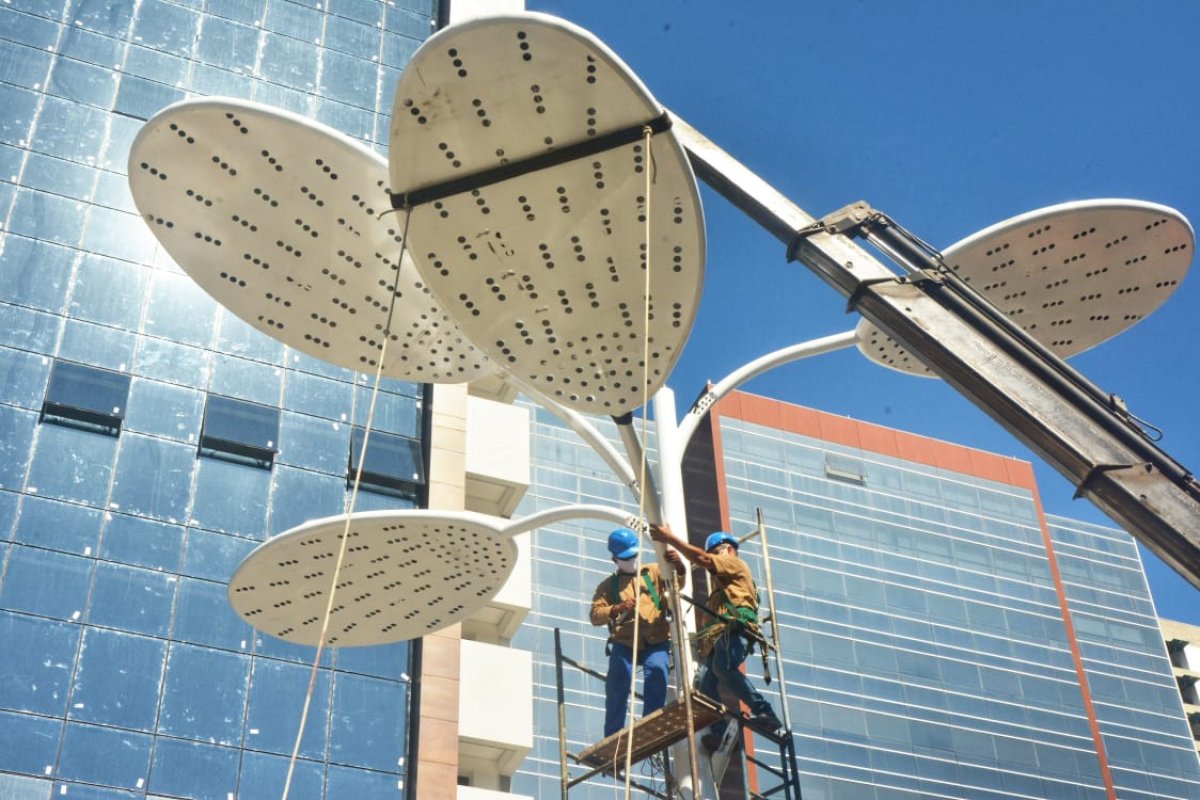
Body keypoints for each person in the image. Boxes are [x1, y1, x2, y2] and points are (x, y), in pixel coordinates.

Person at [648, 522, 783, 749]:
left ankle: (765, 712)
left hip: (735, 629)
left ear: (728, 549)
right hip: (721, 636)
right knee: (704, 683)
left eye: (715, 552)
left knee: (723, 668)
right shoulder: (720, 592)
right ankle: (720, 733)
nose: (713, 558)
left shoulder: (734, 563)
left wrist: (670, 538)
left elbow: (703, 559)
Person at [590, 527, 687, 738]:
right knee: (618, 679)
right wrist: (616, 608)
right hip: (625, 641)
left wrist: (679, 566)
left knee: (657, 670)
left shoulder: (653, 571)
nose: (632, 560)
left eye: (634, 555)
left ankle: (649, 723)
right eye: (627, 557)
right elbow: (595, 615)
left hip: (656, 638)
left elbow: (676, 585)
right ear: (615, 559)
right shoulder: (608, 586)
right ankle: (613, 734)